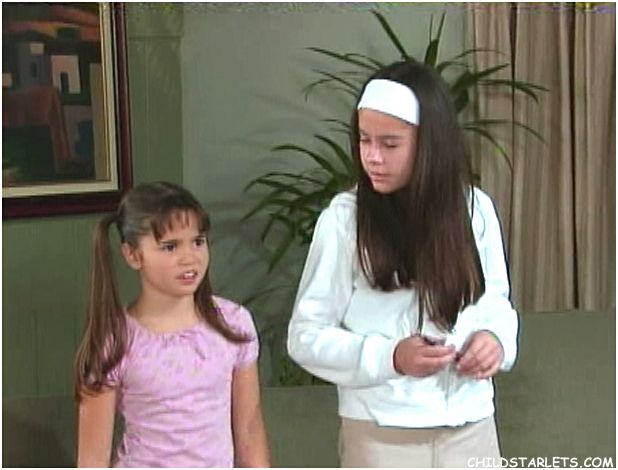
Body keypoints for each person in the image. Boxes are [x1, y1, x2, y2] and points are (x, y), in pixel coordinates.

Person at [287, 61, 519, 468]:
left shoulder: (475, 209)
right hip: (381, 435)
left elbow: (496, 301)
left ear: (429, 144)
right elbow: (305, 337)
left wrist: (495, 338)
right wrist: (390, 357)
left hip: (472, 427)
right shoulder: (344, 220)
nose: (372, 157)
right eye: (364, 140)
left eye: (390, 144)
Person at [74, 181, 270, 467]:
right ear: (133, 255)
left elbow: (249, 430)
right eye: (170, 247)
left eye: (198, 241)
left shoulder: (233, 324)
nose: (189, 258)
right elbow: (92, 460)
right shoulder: (116, 340)